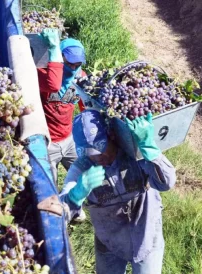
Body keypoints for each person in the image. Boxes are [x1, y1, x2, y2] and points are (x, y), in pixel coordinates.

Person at [60, 109, 176, 274]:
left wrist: (150, 148)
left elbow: (167, 183)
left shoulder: (134, 153)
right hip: (109, 242)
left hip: (147, 237)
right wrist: (74, 196)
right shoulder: (81, 169)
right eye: (92, 153)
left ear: (111, 135)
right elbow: (57, 213)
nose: (98, 156)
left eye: (101, 147)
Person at [37, 29, 86, 184]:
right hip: (48, 144)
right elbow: (54, 84)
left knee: (83, 180)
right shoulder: (44, 75)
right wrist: (53, 47)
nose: (73, 68)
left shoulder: (81, 77)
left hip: (70, 140)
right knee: (50, 185)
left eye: (77, 65)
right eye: (69, 64)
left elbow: (85, 107)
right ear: (60, 58)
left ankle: (75, 206)